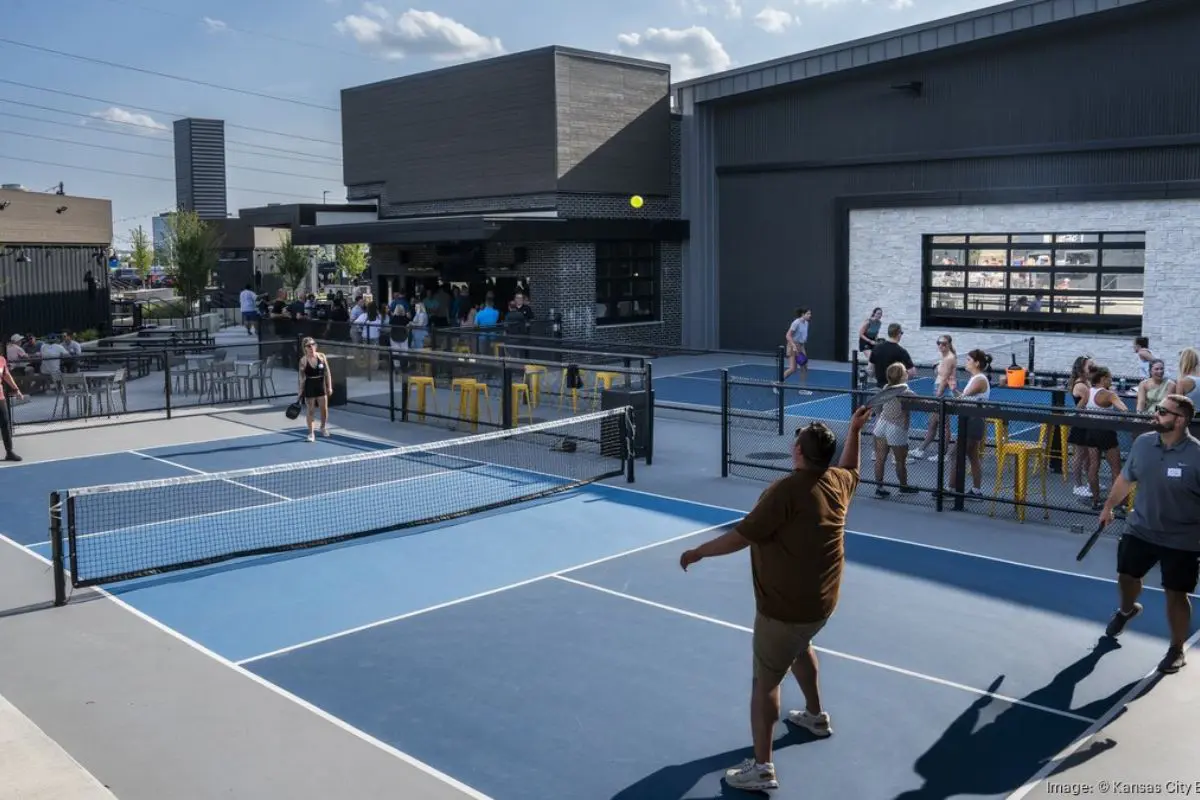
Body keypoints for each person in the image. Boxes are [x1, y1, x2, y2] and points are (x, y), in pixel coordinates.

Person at [679, 405, 873, 793]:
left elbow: (741, 536)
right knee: (801, 647)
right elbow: (853, 468)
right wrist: (855, 430)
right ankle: (816, 717)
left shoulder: (785, 491)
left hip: (784, 609)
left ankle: (763, 768)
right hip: (820, 604)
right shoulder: (837, 482)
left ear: (798, 452)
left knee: (765, 681)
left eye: (796, 442)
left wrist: (698, 552)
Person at [1099, 393, 1200, 674]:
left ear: (1179, 420)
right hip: (1140, 528)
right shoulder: (1143, 444)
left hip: (1182, 539)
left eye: (1162, 411)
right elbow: (1125, 479)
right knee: (1126, 577)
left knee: (1176, 594)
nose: (1155, 414)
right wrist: (1108, 507)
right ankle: (1127, 610)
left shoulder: (1197, 456)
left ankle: (1177, 649)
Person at [947, 349, 991, 500]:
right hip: (971, 420)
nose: (965, 362)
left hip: (973, 421)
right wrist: (953, 390)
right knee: (972, 456)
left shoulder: (979, 380)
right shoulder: (975, 379)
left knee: (955, 454)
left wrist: (955, 395)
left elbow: (963, 398)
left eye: (968, 360)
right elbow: (962, 397)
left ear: (976, 363)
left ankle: (951, 489)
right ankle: (976, 491)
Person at [872, 363, 918, 498]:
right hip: (896, 428)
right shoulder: (906, 391)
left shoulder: (886, 387)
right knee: (900, 461)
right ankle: (903, 487)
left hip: (881, 425)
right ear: (902, 376)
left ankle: (879, 488)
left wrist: (879, 415)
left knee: (880, 458)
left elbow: (878, 405)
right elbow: (921, 402)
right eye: (905, 371)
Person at [297, 337, 332, 442]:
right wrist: (300, 391)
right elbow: (302, 378)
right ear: (305, 348)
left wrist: (329, 386)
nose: (312, 347)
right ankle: (311, 433)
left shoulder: (321, 357)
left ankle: (323, 427)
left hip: (320, 385)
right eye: (309, 345)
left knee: (324, 409)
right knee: (310, 410)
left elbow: (327, 373)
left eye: (313, 344)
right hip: (309, 385)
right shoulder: (303, 361)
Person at [867, 323, 915, 388]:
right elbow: (912, 372)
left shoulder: (876, 348)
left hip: (880, 389)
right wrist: (902, 380)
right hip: (895, 390)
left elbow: (870, 370)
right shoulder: (901, 351)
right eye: (901, 333)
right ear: (898, 334)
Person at [0, 350, 23, 462]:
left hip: (0, 398)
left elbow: (6, 375)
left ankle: (9, 452)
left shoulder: (1, 360)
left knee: (5, 423)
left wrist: (16, 390)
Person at [782, 308, 811, 383]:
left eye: (810, 314)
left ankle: (802, 388)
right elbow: (788, 335)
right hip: (793, 346)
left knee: (804, 367)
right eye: (808, 314)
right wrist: (794, 346)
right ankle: (778, 383)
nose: (810, 315)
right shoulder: (796, 323)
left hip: (801, 346)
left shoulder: (807, 323)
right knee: (793, 369)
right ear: (802, 314)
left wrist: (802, 346)